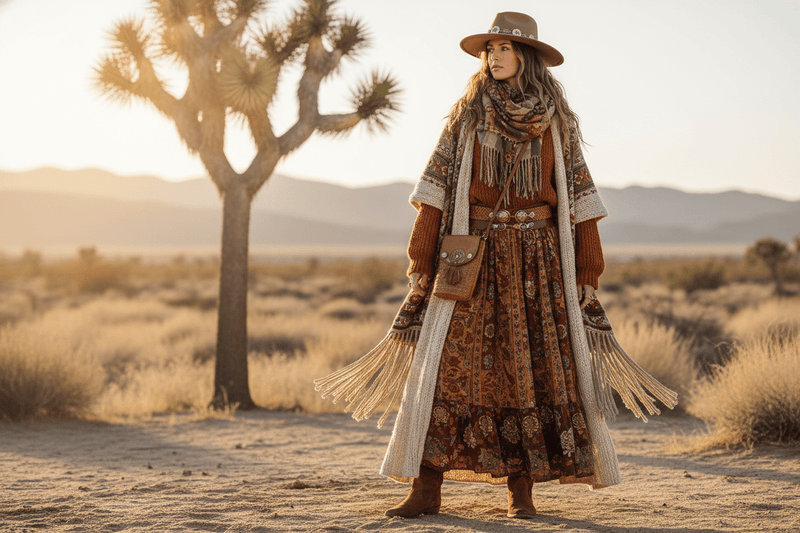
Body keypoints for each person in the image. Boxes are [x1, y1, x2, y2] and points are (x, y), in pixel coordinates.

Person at [316, 11, 675, 520]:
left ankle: (521, 494)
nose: (495, 55)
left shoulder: (557, 123)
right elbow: (434, 192)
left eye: (505, 48)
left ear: (526, 57)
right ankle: (426, 490)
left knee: (527, 372)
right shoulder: (466, 117)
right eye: (490, 48)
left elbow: (580, 199)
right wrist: (422, 258)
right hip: (474, 258)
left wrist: (588, 271)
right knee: (444, 370)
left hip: (538, 262)